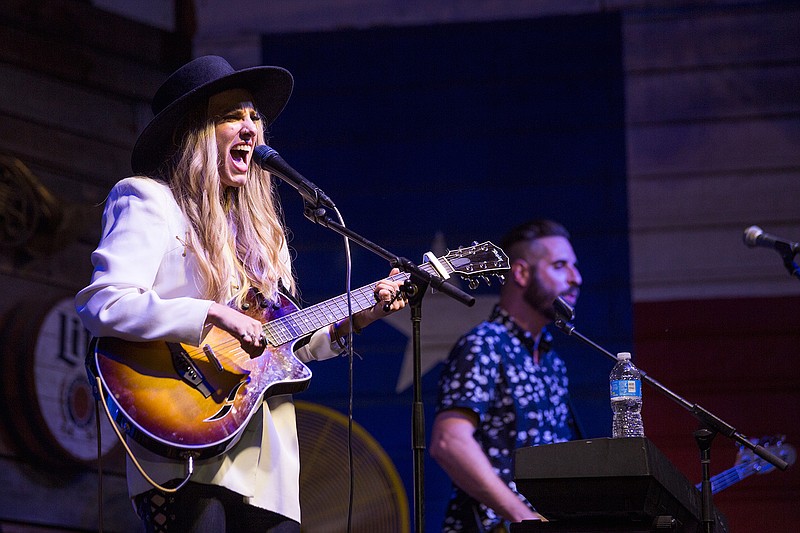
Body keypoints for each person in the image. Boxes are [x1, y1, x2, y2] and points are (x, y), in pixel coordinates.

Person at [75, 55, 406, 532]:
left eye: (254, 116)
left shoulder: (263, 237)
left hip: (269, 463)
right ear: (190, 133)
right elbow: (104, 302)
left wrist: (358, 316)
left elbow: (277, 345)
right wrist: (212, 313)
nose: (250, 127)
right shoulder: (149, 201)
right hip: (190, 438)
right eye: (231, 115)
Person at [430, 219, 584, 532]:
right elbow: (449, 442)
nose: (575, 278)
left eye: (575, 267)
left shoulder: (552, 360)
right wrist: (524, 517)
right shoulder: (485, 343)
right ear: (521, 273)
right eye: (559, 266)